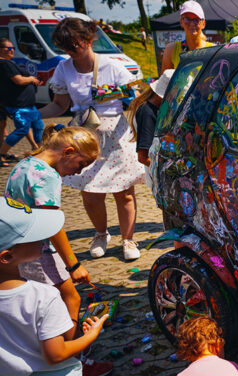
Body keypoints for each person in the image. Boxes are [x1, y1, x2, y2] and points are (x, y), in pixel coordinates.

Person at [4, 124, 113, 376]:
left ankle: (42, 351)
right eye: (81, 164)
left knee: (40, 301)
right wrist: (74, 265)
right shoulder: (47, 176)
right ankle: (70, 361)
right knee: (70, 299)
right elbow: (54, 225)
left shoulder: (24, 164)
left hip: (20, 247)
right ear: (68, 151)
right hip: (39, 250)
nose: (79, 171)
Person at [0, 198, 109, 376]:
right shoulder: (43, 295)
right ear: (6, 256)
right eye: (34, 237)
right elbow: (56, 354)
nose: (43, 239)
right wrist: (90, 335)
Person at [39, 18, 146, 261]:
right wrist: (34, 113)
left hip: (114, 135)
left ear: (87, 40)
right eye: (65, 47)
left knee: (124, 192)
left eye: (73, 45)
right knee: (90, 193)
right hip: (84, 137)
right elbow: (59, 104)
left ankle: (128, 239)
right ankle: (101, 234)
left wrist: (132, 96)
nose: (70, 52)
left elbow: (136, 97)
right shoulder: (63, 69)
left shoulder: (112, 65)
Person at [0, 38, 44, 165]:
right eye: (8, 48)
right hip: (19, 105)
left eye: (13, 48)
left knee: (37, 126)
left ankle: (38, 150)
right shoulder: (5, 64)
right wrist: (31, 79)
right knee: (22, 128)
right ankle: (1, 154)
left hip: (27, 104)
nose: (12, 50)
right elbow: (18, 80)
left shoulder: (8, 63)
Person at [129, 70, 174, 167]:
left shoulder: (158, 108)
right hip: (157, 174)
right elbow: (143, 157)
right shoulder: (147, 113)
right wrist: (167, 171)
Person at [161, 1, 214, 73]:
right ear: (181, 22)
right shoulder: (171, 50)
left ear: (203, 24)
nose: (192, 24)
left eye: (196, 20)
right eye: (187, 19)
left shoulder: (213, 50)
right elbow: (164, 81)